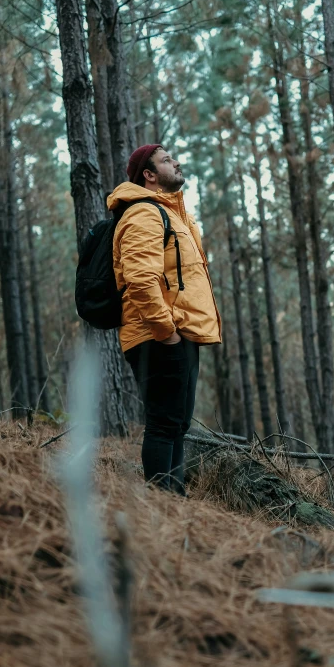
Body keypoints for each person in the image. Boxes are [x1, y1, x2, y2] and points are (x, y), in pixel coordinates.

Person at [106, 144, 222, 494]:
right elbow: (141, 280)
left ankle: (175, 498)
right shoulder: (143, 213)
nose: (177, 162)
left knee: (177, 424)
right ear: (149, 174)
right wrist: (166, 332)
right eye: (167, 160)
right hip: (158, 334)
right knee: (163, 423)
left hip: (180, 331)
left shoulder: (173, 214)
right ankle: (162, 505)